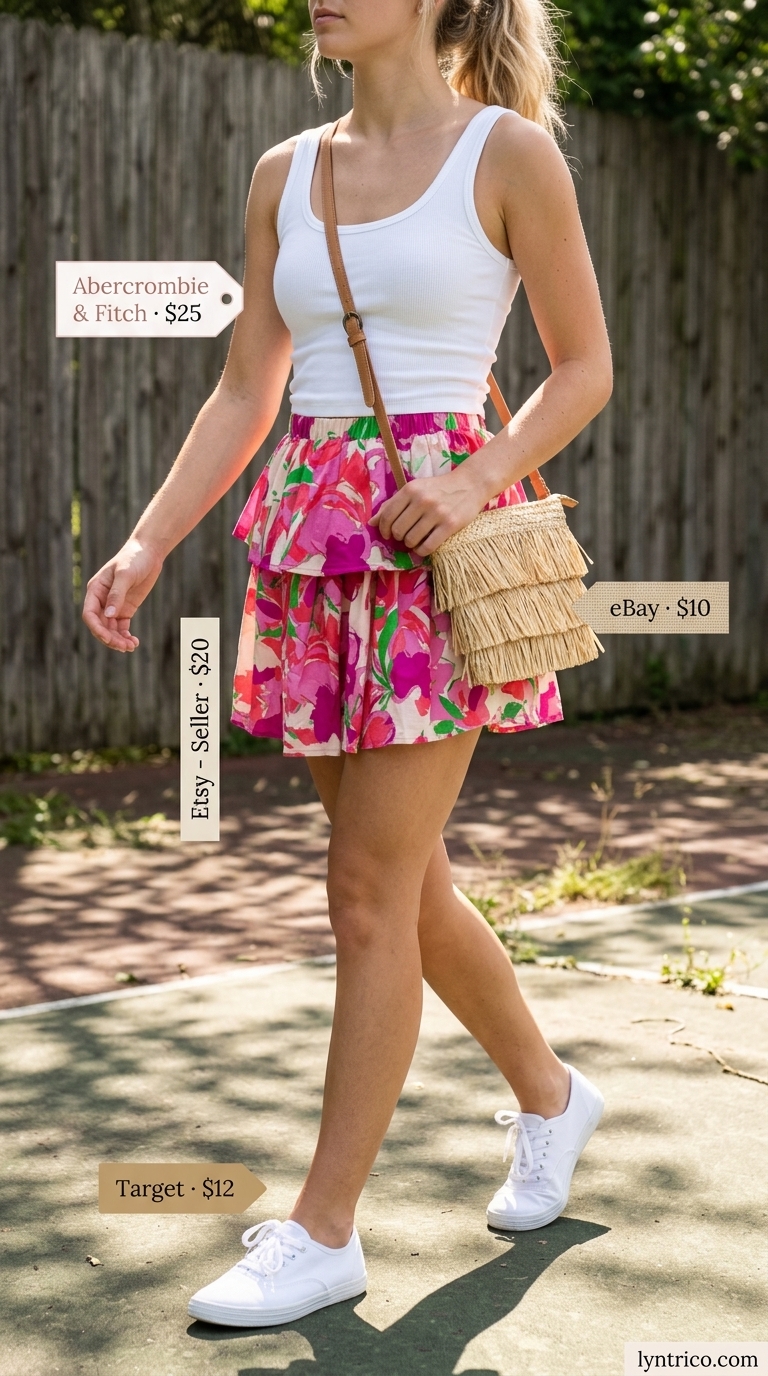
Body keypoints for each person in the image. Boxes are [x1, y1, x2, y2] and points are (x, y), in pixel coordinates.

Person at [83, 0, 613, 1330]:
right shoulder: (285, 171)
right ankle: (553, 1095)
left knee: (366, 893)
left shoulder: (509, 154)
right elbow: (246, 383)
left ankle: (324, 1230)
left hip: (435, 548)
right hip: (310, 544)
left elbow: (583, 365)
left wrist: (478, 473)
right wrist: (148, 542)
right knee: (405, 883)